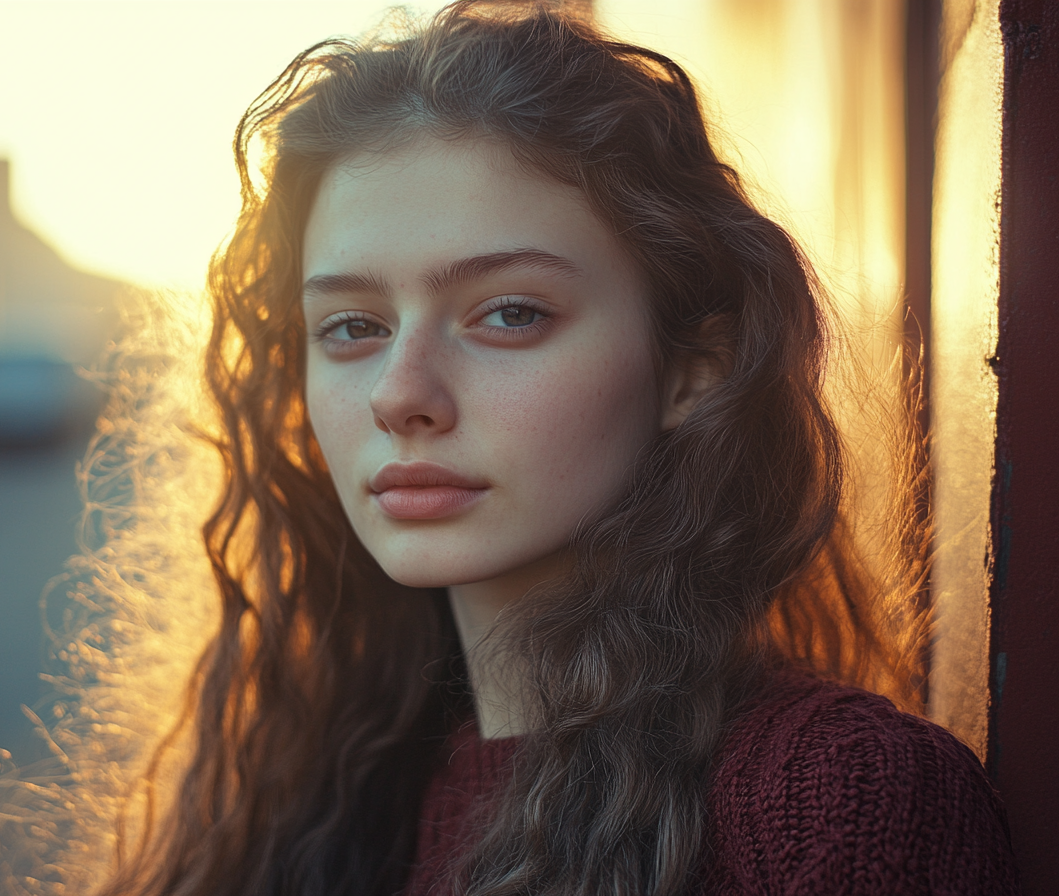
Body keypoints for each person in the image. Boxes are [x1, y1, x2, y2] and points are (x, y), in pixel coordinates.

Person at [95, 2, 1019, 894]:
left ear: (692, 367)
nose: (400, 394)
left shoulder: (836, 802)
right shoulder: (306, 797)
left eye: (510, 313)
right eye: (350, 326)